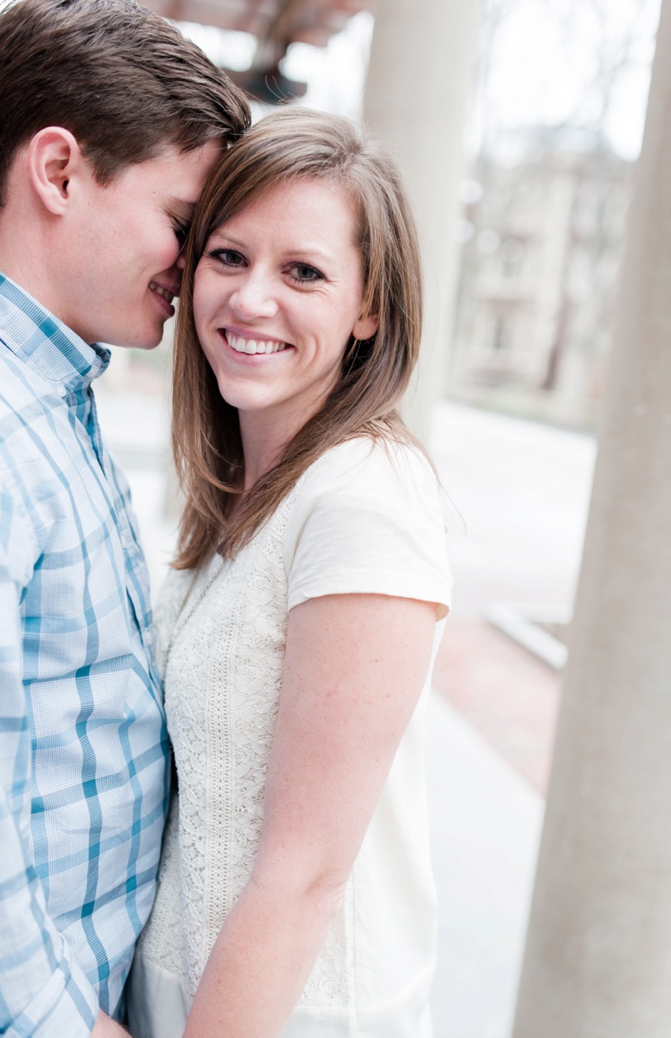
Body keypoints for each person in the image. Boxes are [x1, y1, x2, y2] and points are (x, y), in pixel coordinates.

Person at [128, 107, 452, 1038]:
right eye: (228, 256)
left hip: (295, 1015)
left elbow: (306, 874)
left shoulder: (364, 500)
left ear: (370, 309)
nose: (251, 300)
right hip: (185, 997)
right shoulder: (237, 496)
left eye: (302, 271)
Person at [0, 2, 251, 1035]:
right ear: (56, 171)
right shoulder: (0, 434)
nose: (194, 264)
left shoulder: (58, 399)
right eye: (181, 223)